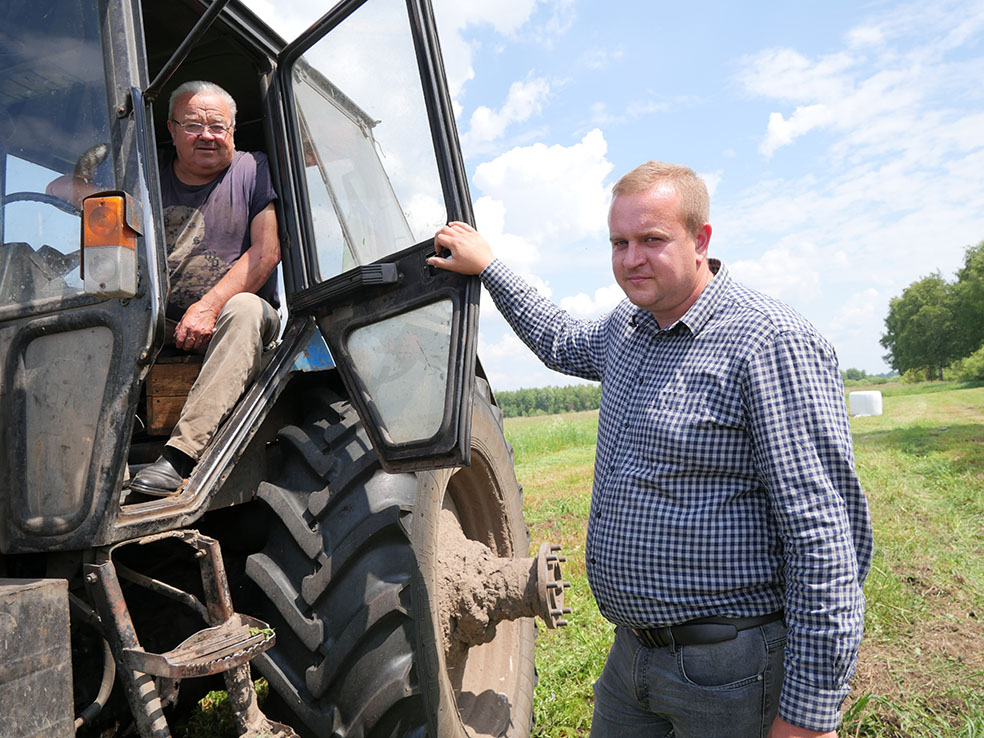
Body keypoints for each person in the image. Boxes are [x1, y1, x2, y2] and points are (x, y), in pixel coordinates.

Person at [428, 161, 873, 738]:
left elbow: (825, 540)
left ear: (701, 239)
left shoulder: (769, 342)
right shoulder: (629, 329)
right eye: (619, 242)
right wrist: (489, 266)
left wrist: (809, 716)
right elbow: (560, 338)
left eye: (652, 240)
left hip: (731, 672)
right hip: (632, 661)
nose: (631, 258)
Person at [129, 80, 281, 496]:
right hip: (159, 326)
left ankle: (179, 457)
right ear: (172, 129)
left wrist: (209, 305)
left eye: (219, 126)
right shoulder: (149, 175)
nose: (208, 136)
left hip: (233, 323)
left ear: (232, 132)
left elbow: (266, 252)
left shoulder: (252, 168)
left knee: (246, 307)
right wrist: (74, 186)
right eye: (194, 125)